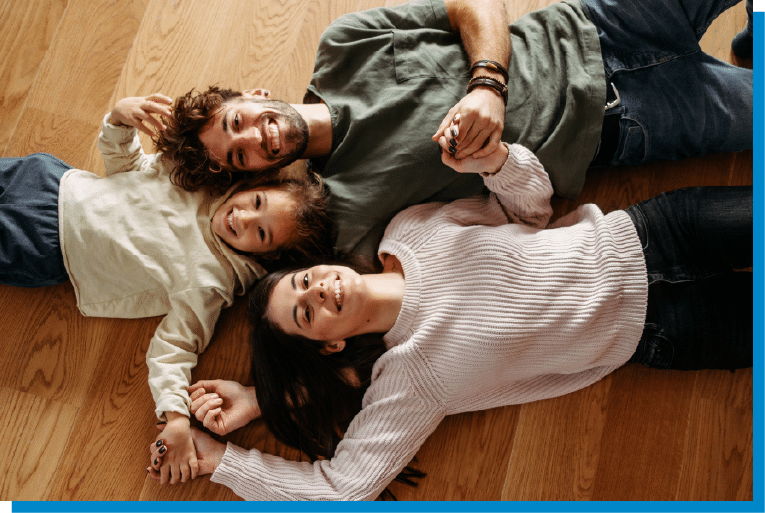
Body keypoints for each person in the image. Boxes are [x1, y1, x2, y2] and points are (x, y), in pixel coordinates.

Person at [150, 135, 752, 499]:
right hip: (664, 332)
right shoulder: (410, 382)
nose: (320, 293)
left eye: (305, 282)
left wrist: (496, 160)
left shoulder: (410, 229)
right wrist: (222, 459)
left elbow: (531, 209)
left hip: (655, 232)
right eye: (307, 315)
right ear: (329, 344)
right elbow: (342, 491)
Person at [155, 0, 752, 258]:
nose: (254, 138)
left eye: (237, 122)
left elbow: (475, 7)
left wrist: (487, 84)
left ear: (252, 95)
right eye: (239, 158)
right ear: (254, 174)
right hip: (624, 124)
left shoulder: (342, 45)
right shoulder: (344, 213)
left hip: (593, 26)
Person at [0, 94, 334, 486]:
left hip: (44, 247)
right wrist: (119, 121)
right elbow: (127, 169)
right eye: (256, 201)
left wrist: (175, 417)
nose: (242, 218)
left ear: (269, 256)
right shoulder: (199, 181)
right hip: (49, 181)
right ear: (255, 185)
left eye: (260, 232)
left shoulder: (211, 284)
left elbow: (174, 351)